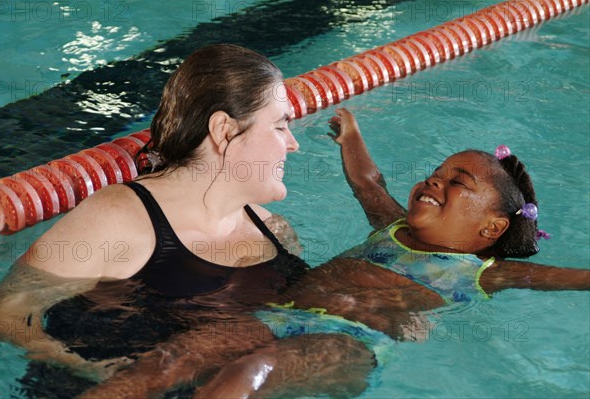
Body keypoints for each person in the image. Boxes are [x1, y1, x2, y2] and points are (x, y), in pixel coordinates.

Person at [76, 108, 589, 398]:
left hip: (349, 342)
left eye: (459, 182)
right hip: (280, 315)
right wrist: (353, 136)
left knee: (250, 375)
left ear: (491, 228)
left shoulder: (484, 274)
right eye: (438, 170)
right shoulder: (392, 226)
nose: (436, 179)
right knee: (170, 358)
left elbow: (569, 278)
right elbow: (368, 182)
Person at [0, 44, 319, 385]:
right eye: (280, 126)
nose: (293, 143)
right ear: (224, 130)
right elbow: (7, 310)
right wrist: (86, 368)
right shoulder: (120, 218)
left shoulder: (276, 233)